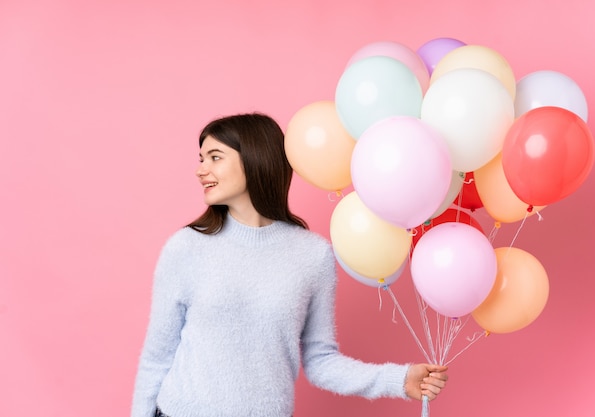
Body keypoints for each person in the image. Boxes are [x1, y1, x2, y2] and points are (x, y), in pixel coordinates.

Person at [131, 113, 448, 417]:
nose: (201, 170)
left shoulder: (312, 256)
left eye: (215, 157)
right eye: (201, 159)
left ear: (254, 158)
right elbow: (156, 360)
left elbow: (321, 361)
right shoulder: (186, 248)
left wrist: (398, 380)